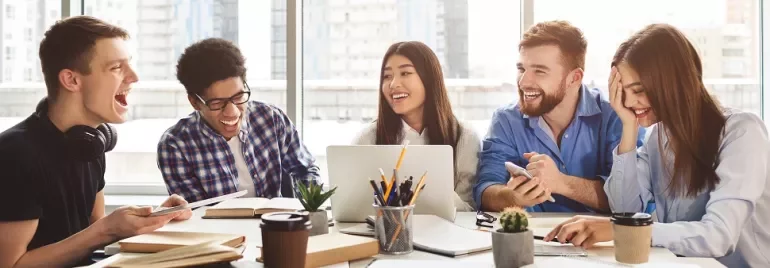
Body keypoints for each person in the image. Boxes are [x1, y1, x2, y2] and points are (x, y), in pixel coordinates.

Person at [543, 24, 769, 268]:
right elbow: (623, 209)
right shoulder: (657, 137)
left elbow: (719, 237)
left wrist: (621, 229)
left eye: (637, 90)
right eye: (623, 92)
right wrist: (629, 127)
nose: (628, 102)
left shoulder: (742, 132)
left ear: (672, 83)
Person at [0, 16, 192, 267]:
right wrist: (107, 230)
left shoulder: (89, 143)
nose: (133, 77)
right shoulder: (15, 154)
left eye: (129, 66)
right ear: (71, 80)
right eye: (116, 68)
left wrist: (152, 218)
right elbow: (11, 264)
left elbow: (92, 234)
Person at [474, 20, 645, 213]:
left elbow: (633, 202)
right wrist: (512, 197)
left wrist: (561, 183)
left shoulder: (616, 117)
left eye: (539, 71)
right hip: (533, 239)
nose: (523, 82)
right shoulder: (506, 120)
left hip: (601, 240)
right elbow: (484, 190)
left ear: (575, 78)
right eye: (521, 69)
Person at [157, 38, 320, 202]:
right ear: (195, 102)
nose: (232, 112)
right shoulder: (175, 145)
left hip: (277, 224)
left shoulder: (272, 119)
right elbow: (196, 214)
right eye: (217, 103)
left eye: (239, 97)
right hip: (216, 228)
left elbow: (305, 169)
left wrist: (308, 205)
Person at [352, 41, 482, 211]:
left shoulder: (464, 137)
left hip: (445, 234)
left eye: (405, 73)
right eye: (387, 76)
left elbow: (470, 210)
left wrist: (435, 193)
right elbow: (354, 208)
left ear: (429, 79)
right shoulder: (367, 139)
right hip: (384, 234)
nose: (393, 84)